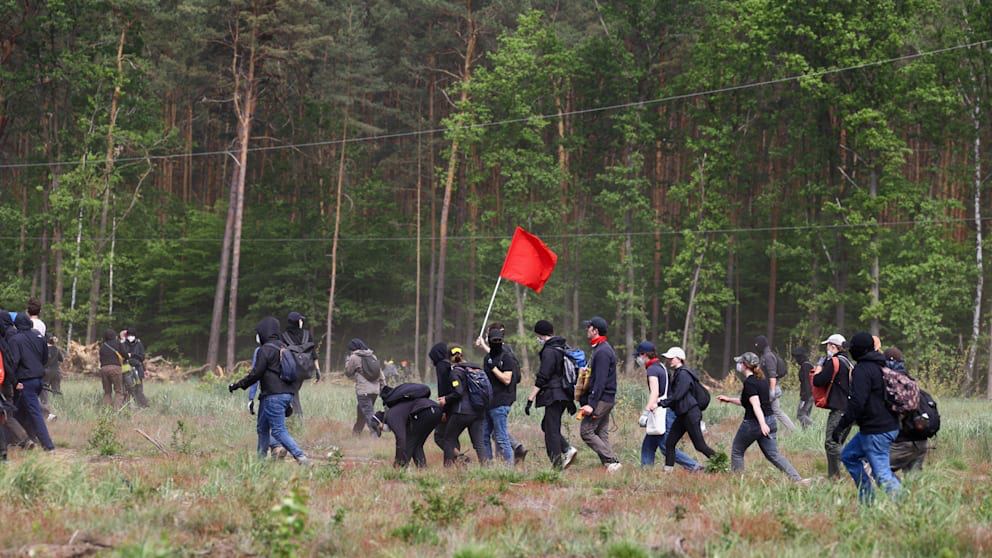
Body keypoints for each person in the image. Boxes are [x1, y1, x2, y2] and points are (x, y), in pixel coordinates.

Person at [228, 317, 310, 464]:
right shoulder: (284, 348)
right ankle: (260, 462)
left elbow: (256, 374)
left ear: (264, 332)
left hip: (273, 396)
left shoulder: (264, 350)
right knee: (262, 428)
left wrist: (238, 385)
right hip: (281, 395)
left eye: (258, 333)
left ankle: (301, 458)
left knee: (278, 430)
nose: (257, 336)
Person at [717, 352, 807, 483]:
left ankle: (737, 482)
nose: (738, 365)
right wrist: (729, 399)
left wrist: (762, 424)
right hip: (770, 420)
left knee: (737, 450)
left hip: (754, 424)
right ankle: (797, 479)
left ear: (745, 365)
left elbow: (756, 405)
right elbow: (748, 402)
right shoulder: (762, 380)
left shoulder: (749, 383)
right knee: (773, 455)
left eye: (740, 362)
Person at [832, 332, 901, 502]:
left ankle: (906, 507)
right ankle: (867, 499)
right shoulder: (882, 365)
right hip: (886, 426)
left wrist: (841, 426)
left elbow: (857, 403)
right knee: (849, 456)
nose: (850, 351)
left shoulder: (863, 370)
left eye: (852, 348)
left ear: (859, 350)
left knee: (882, 474)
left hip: (876, 430)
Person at [636, 341, 701, 470]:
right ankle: (646, 470)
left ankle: (694, 466)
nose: (637, 358)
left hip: (660, 410)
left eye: (638, 355)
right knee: (649, 443)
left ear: (644, 355)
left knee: (666, 446)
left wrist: (646, 412)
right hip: (665, 408)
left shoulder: (652, 370)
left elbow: (655, 392)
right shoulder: (660, 366)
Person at [526, 320, 577, 470]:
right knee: (547, 425)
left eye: (537, 335)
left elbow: (543, 377)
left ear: (540, 334)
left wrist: (531, 398)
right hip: (563, 394)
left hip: (554, 395)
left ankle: (557, 465)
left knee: (551, 430)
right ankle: (567, 449)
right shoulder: (561, 347)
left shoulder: (549, 351)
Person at [660, 346, 717, 471]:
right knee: (669, 443)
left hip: (691, 414)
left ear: (679, 359)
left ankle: (720, 463)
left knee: (700, 445)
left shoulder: (684, 374)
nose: (669, 360)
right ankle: (667, 472)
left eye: (671, 358)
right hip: (682, 415)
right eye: (668, 358)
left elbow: (678, 395)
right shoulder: (678, 373)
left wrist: (661, 403)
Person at [577, 316, 621, 473]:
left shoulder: (602, 351)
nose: (586, 329)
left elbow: (600, 381)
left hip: (601, 399)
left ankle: (612, 460)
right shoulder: (600, 348)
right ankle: (610, 466)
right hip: (605, 399)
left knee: (586, 431)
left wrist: (591, 404)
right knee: (601, 432)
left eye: (588, 327)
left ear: (595, 330)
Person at [480, 326, 526, 465]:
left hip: (501, 402)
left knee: (501, 437)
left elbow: (507, 379)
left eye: (498, 340)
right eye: (493, 340)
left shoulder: (507, 357)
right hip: (488, 402)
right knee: (484, 437)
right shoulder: (487, 358)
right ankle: (487, 466)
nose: (496, 342)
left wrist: (493, 367)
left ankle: (508, 468)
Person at [8, 313, 54, 451]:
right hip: (39, 379)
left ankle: (48, 445)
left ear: (17, 325)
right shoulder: (39, 337)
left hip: (25, 381)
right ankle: (23, 440)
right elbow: (45, 358)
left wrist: (14, 381)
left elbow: (14, 362)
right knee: (17, 412)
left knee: (35, 413)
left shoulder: (15, 339)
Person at [812, 333, 854, 479]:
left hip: (839, 409)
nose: (826, 349)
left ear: (833, 346)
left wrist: (818, 368)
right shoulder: (848, 363)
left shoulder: (834, 362)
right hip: (850, 409)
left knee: (831, 443)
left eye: (828, 346)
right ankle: (836, 475)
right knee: (838, 442)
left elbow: (818, 381)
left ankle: (836, 476)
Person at [439, 347, 489, 467]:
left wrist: (445, 399)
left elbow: (458, 392)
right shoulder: (475, 369)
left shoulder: (455, 372)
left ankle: (448, 469)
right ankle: (487, 468)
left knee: (448, 439)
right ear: (462, 356)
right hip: (479, 411)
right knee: (479, 443)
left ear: (449, 359)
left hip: (462, 412)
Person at [884, 347, 929, 473]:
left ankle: (893, 491)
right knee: (914, 485)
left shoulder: (891, 384)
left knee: (876, 470)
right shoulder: (911, 382)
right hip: (921, 441)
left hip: (903, 442)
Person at [376, 383, 442, 468]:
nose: (382, 429)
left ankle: (401, 468)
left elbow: (401, 438)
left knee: (409, 440)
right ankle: (422, 468)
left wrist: (398, 461)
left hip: (424, 412)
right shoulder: (404, 404)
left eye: (380, 427)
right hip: (436, 410)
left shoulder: (391, 414)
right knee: (417, 444)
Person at [753, 336, 796, 433]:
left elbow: (772, 375)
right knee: (776, 411)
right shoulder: (765, 355)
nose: (756, 347)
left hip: (771, 388)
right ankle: (792, 430)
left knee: (763, 410)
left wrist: (772, 391)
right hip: (769, 388)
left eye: (757, 345)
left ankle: (765, 431)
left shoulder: (768, 357)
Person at [281, 312, 320, 418]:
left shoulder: (284, 336)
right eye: (300, 320)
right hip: (305, 370)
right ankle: (291, 418)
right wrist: (317, 370)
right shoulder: (307, 334)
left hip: (291, 371)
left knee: (292, 395)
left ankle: (298, 420)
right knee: (293, 393)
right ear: (297, 322)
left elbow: (281, 355)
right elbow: (313, 353)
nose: (302, 322)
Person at [344, 338, 384, 436]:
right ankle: (356, 434)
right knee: (362, 412)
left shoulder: (354, 357)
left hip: (363, 391)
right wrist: (383, 387)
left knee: (368, 414)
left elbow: (348, 373)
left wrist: (347, 361)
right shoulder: (372, 356)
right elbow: (381, 374)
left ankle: (375, 434)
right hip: (375, 390)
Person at [99, 329, 128, 408]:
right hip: (115, 368)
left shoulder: (103, 346)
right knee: (118, 391)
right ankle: (116, 410)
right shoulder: (118, 343)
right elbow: (125, 354)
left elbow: (101, 359)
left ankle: (106, 410)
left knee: (107, 392)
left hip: (104, 369)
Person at [122, 328, 150, 408]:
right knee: (127, 388)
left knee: (139, 388)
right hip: (126, 369)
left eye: (132, 335)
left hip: (138, 368)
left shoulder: (139, 344)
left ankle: (142, 405)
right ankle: (126, 406)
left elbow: (142, 357)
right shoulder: (124, 344)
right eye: (129, 335)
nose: (130, 337)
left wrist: (133, 355)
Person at [40, 333, 64, 420]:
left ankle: (46, 408)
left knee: (44, 390)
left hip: (46, 372)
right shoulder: (56, 349)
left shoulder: (43, 349)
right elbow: (61, 359)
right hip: (56, 372)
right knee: (56, 391)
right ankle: (59, 408)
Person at [792, 346, 814, 429]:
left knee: (800, 415)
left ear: (799, 357)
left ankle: (815, 427)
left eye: (796, 358)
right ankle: (806, 432)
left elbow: (806, 383)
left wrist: (805, 397)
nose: (795, 360)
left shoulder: (805, 366)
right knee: (806, 415)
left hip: (807, 395)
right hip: (811, 394)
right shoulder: (809, 365)